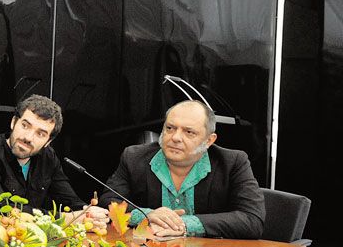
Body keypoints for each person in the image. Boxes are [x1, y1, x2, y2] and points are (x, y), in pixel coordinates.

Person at [103, 100, 264, 238]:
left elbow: (252, 219)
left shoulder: (232, 163)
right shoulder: (134, 157)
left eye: (189, 132)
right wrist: (147, 215)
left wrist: (183, 225)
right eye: (170, 128)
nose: (175, 138)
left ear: (209, 140)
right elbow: (107, 202)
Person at [0, 94, 108, 228]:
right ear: (13, 122)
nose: (28, 137)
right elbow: (0, 210)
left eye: (40, 134)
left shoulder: (48, 157)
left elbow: (70, 200)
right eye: (25, 126)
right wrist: (64, 218)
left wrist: (89, 213)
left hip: (25, 243)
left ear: (48, 142)